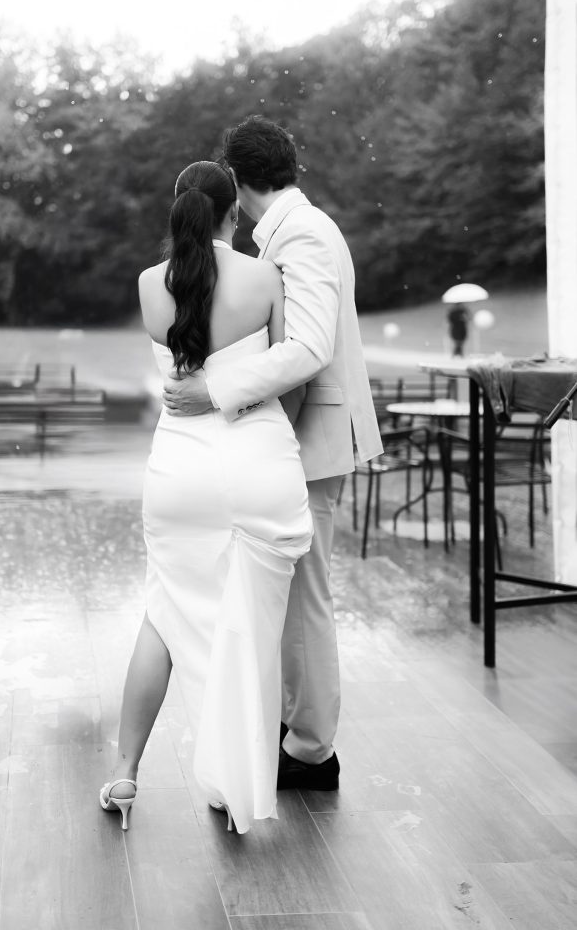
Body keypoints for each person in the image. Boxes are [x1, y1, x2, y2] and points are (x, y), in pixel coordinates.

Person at [163, 116, 382, 792]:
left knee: (305, 598)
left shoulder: (306, 234)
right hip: (295, 438)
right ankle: (296, 730)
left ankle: (312, 750)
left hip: (313, 438)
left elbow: (309, 347)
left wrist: (213, 390)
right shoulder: (290, 231)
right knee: (291, 599)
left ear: (235, 179)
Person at [99, 160, 313, 834]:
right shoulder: (263, 277)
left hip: (178, 473)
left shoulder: (146, 285)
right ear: (234, 212)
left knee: (165, 614)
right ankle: (231, 779)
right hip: (256, 462)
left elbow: (181, 363)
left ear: (177, 207)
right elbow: (290, 376)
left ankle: (126, 772)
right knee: (246, 624)